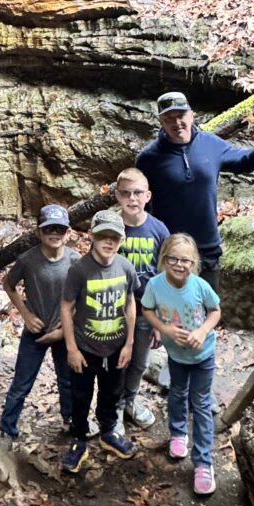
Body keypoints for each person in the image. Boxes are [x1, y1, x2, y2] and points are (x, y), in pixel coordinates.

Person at [135, 91, 254, 291]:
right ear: (161, 121)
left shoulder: (210, 144)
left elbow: (244, 162)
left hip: (207, 247)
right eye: (169, 118)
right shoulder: (148, 158)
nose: (176, 122)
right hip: (170, 249)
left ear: (191, 115)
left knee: (206, 311)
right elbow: (140, 205)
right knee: (173, 314)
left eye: (181, 115)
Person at [142, 233, 221, 496]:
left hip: (203, 355)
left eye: (185, 260)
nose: (179, 264)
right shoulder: (155, 285)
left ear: (194, 262)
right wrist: (164, 328)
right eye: (173, 259)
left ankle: (203, 463)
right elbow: (147, 309)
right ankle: (178, 434)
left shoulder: (199, 286)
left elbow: (215, 311)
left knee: (200, 404)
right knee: (177, 392)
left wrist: (202, 332)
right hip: (176, 355)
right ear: (164, 259)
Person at [59, 211, 139, 474]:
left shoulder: (126, 267)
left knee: (112, 392)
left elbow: (130, 303)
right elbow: (66, 306)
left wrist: (128, 344)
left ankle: (108, 432)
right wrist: (71, 348)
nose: (108, 242)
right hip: (86, 347)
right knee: (80, 394)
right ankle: (79, 438)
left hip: (115, 347)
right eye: (102, 236)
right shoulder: (80, 270)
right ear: (91, 236)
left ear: (121, 239)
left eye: (114, 237)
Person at [0, 204, 81, 447]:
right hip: (35, 331)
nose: (54, 234)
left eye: (59, 229)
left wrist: (64, 331)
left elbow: (82, 297)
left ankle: (70, 420)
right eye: (48, 229)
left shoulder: (75, 261)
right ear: (38, 232)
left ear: (68, 233)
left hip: (63, 331)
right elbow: (8, 284)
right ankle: (7, 429)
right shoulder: (28, 260)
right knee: (22, 382)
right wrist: (24, 313)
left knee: (67, 380)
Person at [112, 167, 169, 433]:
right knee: (115, 360)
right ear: (116, 195)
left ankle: (129, 401)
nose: (131, 199)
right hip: (114, 310)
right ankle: (112, 408)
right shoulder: (109, 227)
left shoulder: (158, 230)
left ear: (148, 196)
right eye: (125, 193)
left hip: (146, 309)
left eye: (137, 193)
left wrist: (159, 321)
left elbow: (164, 278)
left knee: (139, 362)